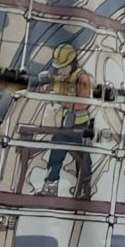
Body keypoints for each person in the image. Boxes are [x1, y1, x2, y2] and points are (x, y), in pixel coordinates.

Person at [38, 42, 96, 199]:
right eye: (58, 68)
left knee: (83, 157)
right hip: (64, 124)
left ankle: (84, 187)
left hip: (80, 125)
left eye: (63, 67)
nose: (60, 71)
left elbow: (83, 102)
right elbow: (51, 87)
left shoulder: (81, 77)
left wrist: (63, 102)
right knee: (56, 151)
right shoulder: (59, 78)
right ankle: (51, 184)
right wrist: (47, 88)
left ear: (72, 63)